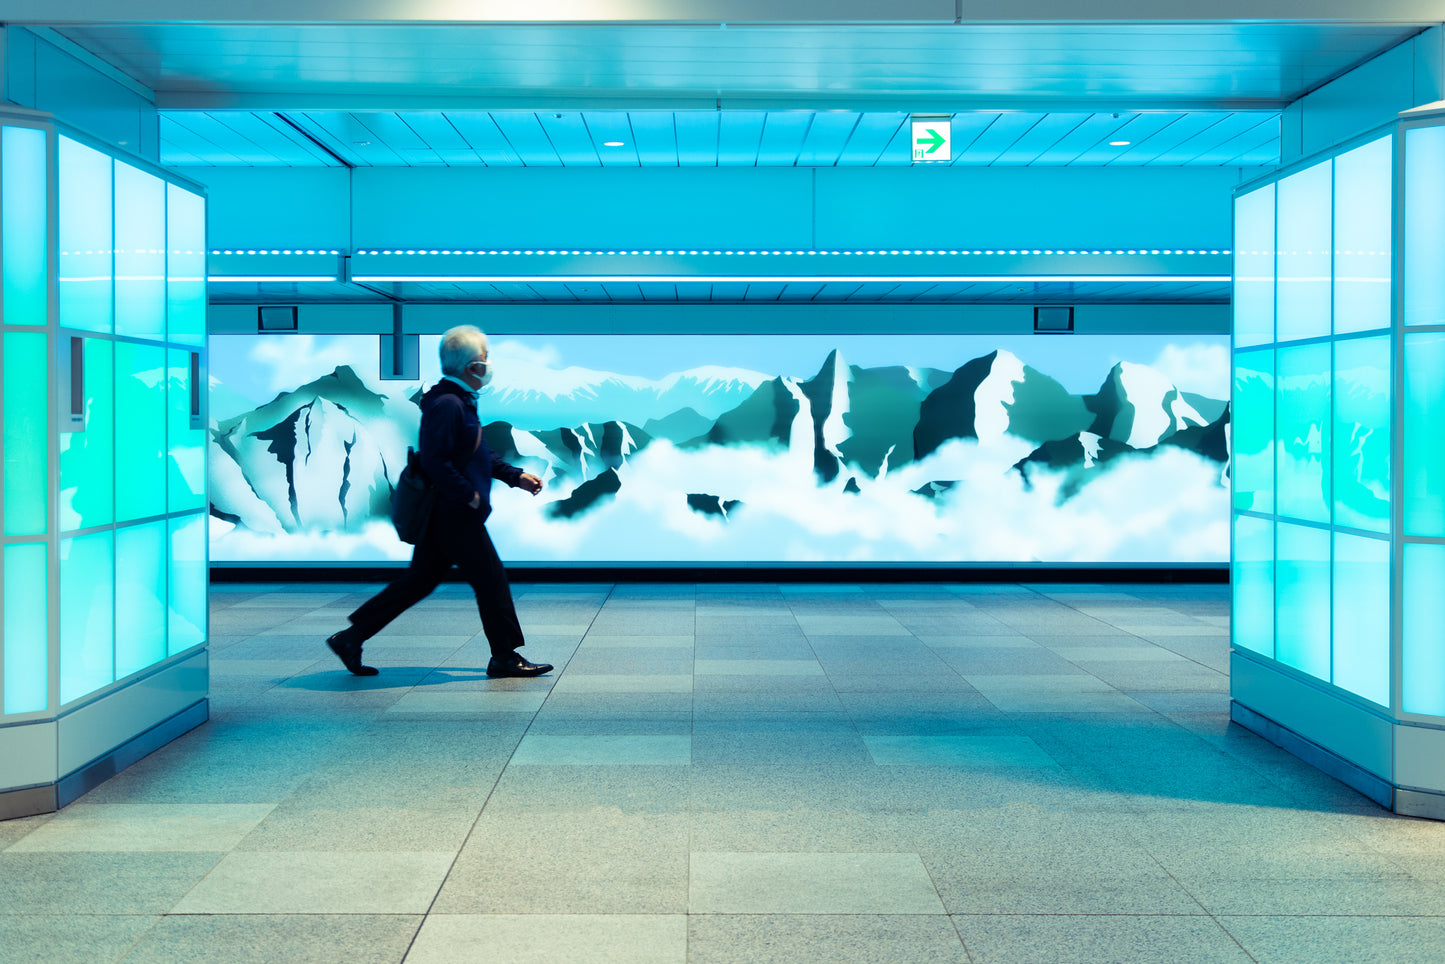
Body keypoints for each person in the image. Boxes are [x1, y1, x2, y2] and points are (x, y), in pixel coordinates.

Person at [326, 325, 553, 679]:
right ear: (471, 367)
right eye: (485, 359)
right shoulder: (448, 404)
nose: (489, 365)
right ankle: (505, 657)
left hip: (448, 512)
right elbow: (436, 461)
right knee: (491, 578)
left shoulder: (457, 401)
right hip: (455, 514)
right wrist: (471, 497)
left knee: (419, 581)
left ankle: (351, 638)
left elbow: (474, 454)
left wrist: (514, 476)